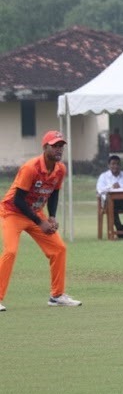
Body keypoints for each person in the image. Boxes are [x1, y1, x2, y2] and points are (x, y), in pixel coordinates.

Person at [0, 130, 82, 311]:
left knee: (59, 249)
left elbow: (54, 192)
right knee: (11, 251)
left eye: (61, 146)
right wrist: (40, 222)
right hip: (13, 212)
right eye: (54, 146)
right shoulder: (31, 167)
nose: (59, 150)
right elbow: (18, 200)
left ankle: (57, 295)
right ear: (45, 148)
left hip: (36, 213)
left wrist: (51, 217)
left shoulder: (60, 169)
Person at [96, 154, 123, 238]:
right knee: (112, 207)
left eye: (117, 164)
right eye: (113, 164)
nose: (115, 166)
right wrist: (111, 187)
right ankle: (122, 232)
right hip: (110, 201)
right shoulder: (104, 176)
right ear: (109, 165)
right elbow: (99, 190)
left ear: (120, 165)